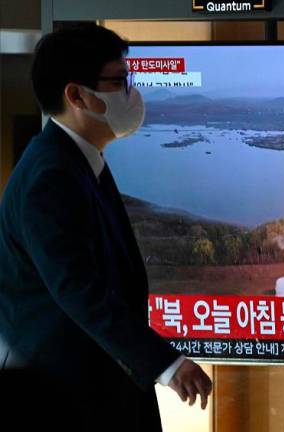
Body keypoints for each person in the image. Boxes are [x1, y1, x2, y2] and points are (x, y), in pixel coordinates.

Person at [0, 24, 211, 431]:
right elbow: (78, 289)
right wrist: (167, 364)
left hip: (97, 387)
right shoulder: (51, 176)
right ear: (77, 95)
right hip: (68, 396)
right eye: (119, 81)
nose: (131, 94)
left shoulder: (77, 160)